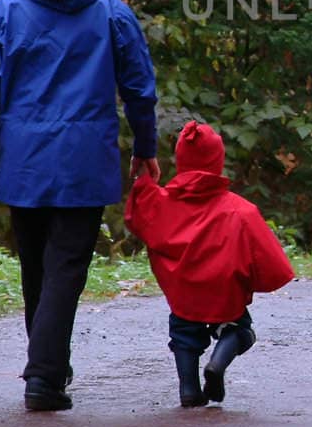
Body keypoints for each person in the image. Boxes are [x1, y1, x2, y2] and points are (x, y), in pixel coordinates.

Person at [0, 0, 158, 411]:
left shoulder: (5, 13)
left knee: (36, 267)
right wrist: (146, 149)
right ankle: (45, 377)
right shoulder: (111, 11)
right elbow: (140, 90)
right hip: (86, 161)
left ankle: (48, 368)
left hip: (24, 161)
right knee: (66, 267)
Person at [124, 120, 294, 407]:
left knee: (184, 336)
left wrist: (144, 176)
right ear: (219, 161)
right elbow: (270, 261)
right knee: (239, 330)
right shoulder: (240, 211)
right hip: (224, 291)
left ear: (180, 161)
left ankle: (189, 389)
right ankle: (218, 362)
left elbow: (138, 211)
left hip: (184, 292)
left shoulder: (162, 203)